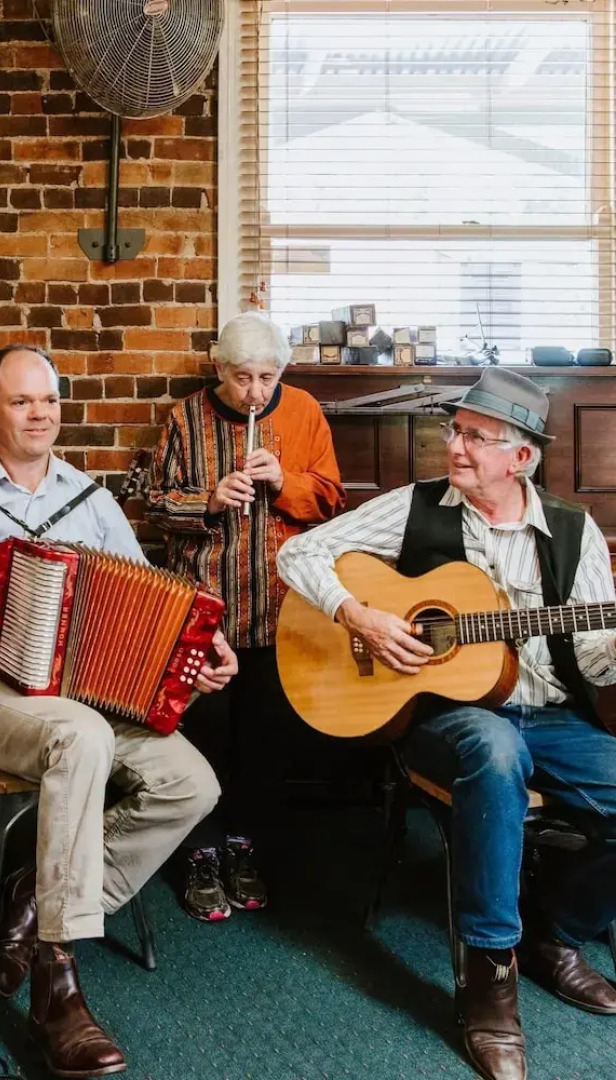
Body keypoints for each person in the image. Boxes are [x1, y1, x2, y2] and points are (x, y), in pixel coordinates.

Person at [0, 344, 237, 1079]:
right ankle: (57, 979)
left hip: (85, 696)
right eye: (22, 401)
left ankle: (31, 900)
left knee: (193, 782)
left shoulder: (90, 501)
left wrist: (204, 647)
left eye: (49, 401)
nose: (39, 414)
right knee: (81, 738)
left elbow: (156, 603)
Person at [276, 366, 616, 1080]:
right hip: (446, 713)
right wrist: (359, 614)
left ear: (521, 456)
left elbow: (593, 655)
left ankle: (557, 939)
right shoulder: (414, 506)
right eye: (454, 431)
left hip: (551, 713)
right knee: (494, 756)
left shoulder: (572, 531)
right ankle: (490, 983)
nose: (455, 448)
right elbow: (298, 550)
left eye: (477, 437)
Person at [147, 312, 345, 921]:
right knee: (204, 735)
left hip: (282, 613)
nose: (255, 392)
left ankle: (245, 845)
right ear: (218, 369)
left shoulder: (305, 411)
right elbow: (154, 503)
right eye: (241, 378)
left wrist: (285, 482)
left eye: (267, 377)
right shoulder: (184, 417)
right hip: (205, 611)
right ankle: (199, 851)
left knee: (265, 740)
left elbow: (333, 502)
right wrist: (206, 499)